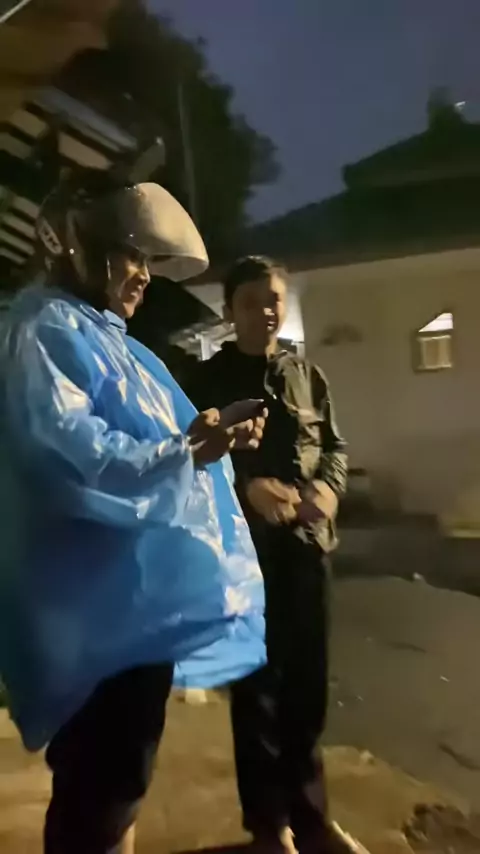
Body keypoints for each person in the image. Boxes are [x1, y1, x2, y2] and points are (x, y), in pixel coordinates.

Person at [0, 175, 267, 854]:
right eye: (130, 253)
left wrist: (206, 441)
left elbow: (154, 445)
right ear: (74, 244)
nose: (144, 274)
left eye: (148, 258)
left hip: (124, 614)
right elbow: (72, 457)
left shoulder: (104, 336)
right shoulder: (44, 330)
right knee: (99, 793)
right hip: (94, 617)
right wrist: (188, 450)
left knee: (118, 784)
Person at [187, 256, 355, 854]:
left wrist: (329, 490)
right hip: (242, 558)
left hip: (308, 551)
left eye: (274, 299)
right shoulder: (205, 381)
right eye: (251, 301)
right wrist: (245, 486)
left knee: (307, 688)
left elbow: (333, 446)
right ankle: (269, 825)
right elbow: (187, 462)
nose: (265, 311)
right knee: (256, 692)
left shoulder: (308, 375)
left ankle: (311, 817)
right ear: (229, 311)